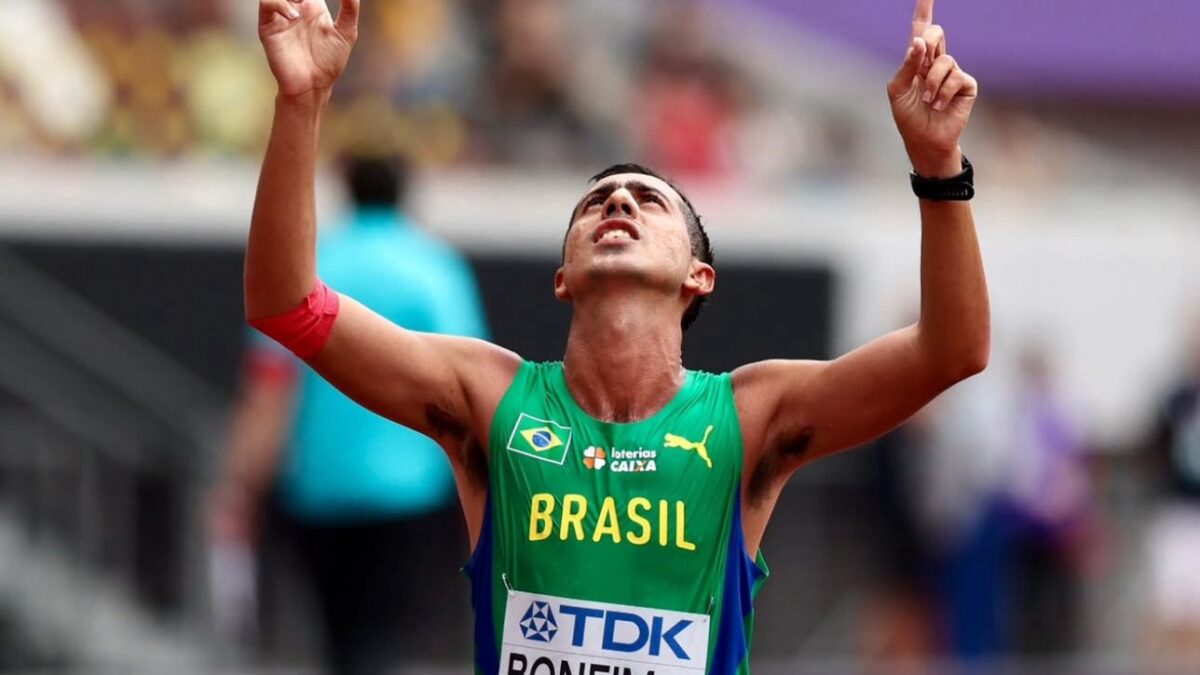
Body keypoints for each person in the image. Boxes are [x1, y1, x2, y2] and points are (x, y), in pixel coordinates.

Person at [247, 0, 988, 672]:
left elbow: (951, 352)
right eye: (597, 198)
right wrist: (301, 101)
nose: (620, 200)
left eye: (648, 200)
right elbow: (286, 305)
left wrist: (937, 166)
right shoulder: (491, 398)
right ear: (563, 274)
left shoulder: (751, 415)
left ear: (699, 276)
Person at [213, 153, 489, 675]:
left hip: (318, 493)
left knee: (341, 644)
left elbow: (270, 389)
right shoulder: (436, 269)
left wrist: (241, 486)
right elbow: (468, 387)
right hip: (412, 497)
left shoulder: (312, 266)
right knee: (387, 641)